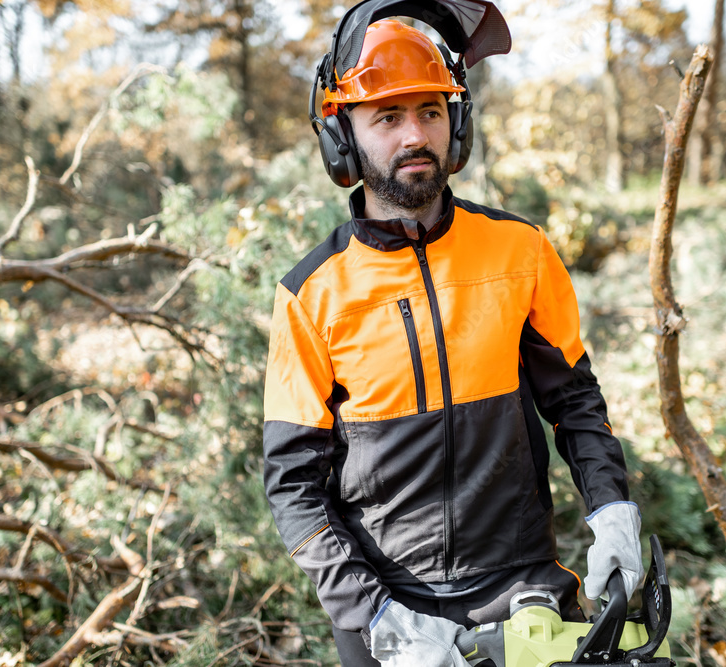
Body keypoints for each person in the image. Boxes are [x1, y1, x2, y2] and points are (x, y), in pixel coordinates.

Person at [262, 4, 643, 665]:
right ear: (342, 134)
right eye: (387, 116)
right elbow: (292, 484)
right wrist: (373, 611)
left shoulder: (520, 251)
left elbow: (575, 402)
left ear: (457, 122)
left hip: (520, 580)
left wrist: (612, 508)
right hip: (388, 600)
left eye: (431, 112)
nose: (415, 133)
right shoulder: (311, 292)